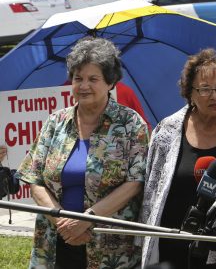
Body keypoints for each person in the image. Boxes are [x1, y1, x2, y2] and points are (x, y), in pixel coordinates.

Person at [17, 37, 149, 269]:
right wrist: (63, 222)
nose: (83, 86)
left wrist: (85, 221)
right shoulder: (55, 122)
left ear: (110, 82)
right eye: (78, 78)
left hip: (109, 246)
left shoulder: (130, 124)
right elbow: (34, 178)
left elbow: (135, 182)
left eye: (93, 79)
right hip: (56, 239)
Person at [141, 49, 216, 268]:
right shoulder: (166, 129)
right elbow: (151, 189)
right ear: (190, 93)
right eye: (205, 89)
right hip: (170, 239)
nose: (215, 96)